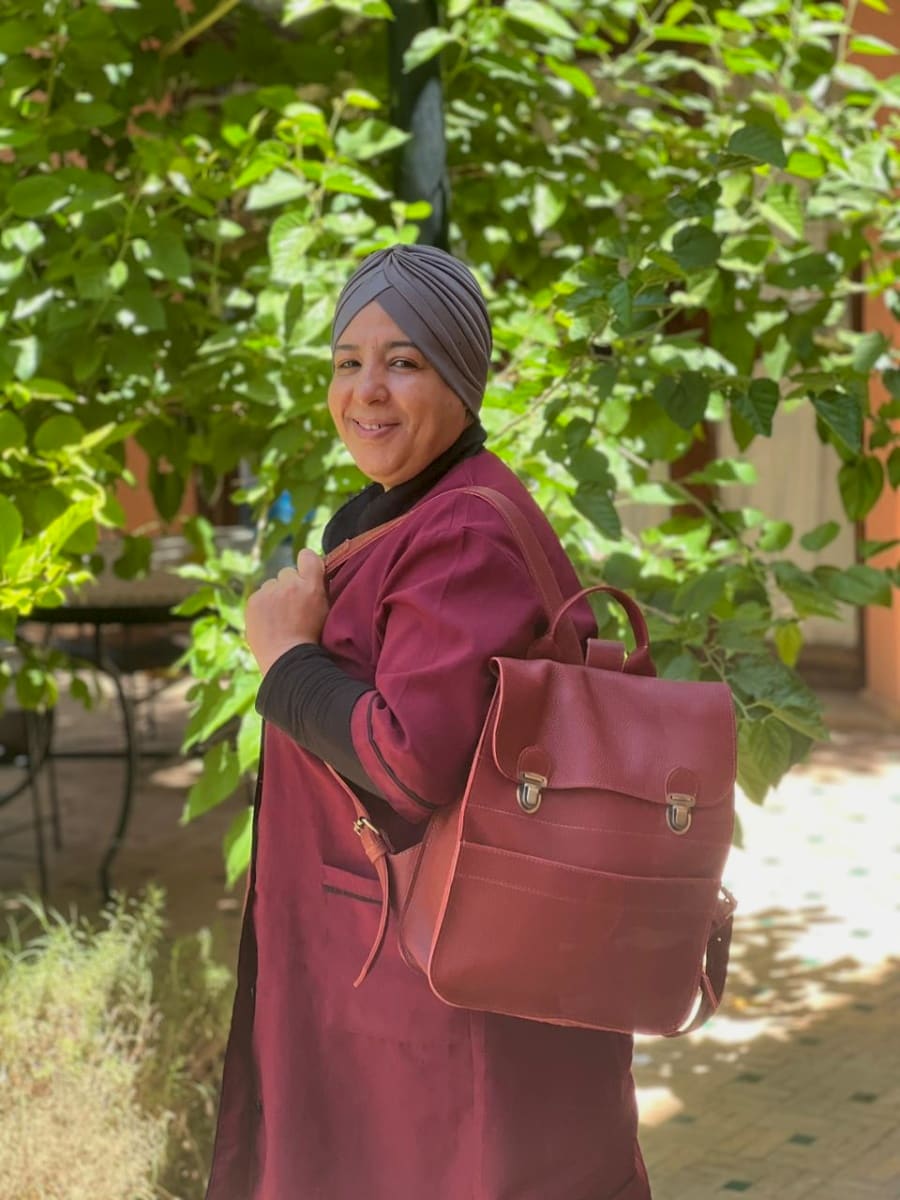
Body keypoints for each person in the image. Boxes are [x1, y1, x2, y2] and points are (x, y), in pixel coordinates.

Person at [206, 244, 651, 1200]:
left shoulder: (461, 533)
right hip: (387, 968)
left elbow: (410, 767)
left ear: (459, 375)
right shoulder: (406, 512)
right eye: (347, 361)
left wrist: (285, 658)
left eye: (403, 361)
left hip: (430, 989)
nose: (366, 390)